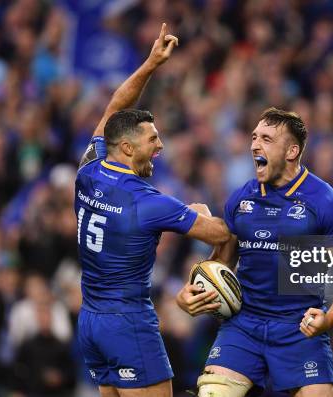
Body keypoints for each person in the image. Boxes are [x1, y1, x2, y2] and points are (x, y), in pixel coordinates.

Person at [75, 24, 230, 397]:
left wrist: (151, 63)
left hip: (92, 322)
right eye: (152, 139)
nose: (160, 147)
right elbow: (222, 234)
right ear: (127, 149)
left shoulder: (89, 168)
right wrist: (203, 214)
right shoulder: (148, 202)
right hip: (129, 323)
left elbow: (115, 107)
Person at [176, 108, 333, 397]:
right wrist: (191, 292)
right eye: (254, 137)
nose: (254, 145)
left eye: (266, 138)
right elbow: (220, 263)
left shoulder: (328, 203)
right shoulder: (240, 199)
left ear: (291, 151)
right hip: (243, 325)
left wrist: (329, 317)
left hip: (298, 328)